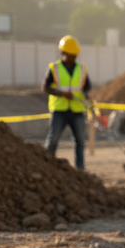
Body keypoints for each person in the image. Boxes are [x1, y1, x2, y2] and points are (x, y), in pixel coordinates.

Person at [42, 35, 92, 170]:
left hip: (77, 110)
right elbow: (45, 87)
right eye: (70, 56)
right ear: (63, 53)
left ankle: (80, 170)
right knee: (53, 140)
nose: (73, 59)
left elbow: (87, 86)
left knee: (80, 142)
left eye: (74, 56)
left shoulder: (81, 69)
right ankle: (47, 168)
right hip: (59, 111)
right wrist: (62, 94)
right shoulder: (54, 68)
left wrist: (86, 96)